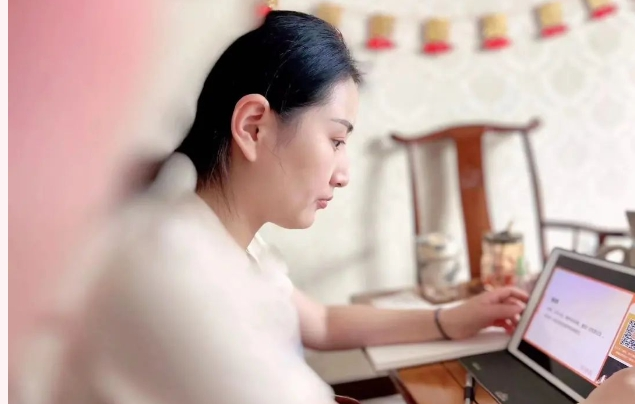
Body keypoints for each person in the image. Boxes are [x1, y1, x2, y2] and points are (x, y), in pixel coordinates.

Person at [14, 10, 634, 404]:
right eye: (336, 140)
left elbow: (323, 323)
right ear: (253, 126)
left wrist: (453, 318)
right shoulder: (178, 275)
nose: (343, 172)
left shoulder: (211, 236)